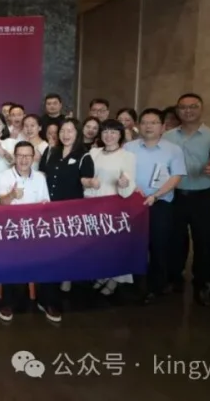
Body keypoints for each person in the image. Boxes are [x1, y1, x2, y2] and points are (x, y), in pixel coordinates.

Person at [162, 93, 210, 305]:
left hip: (203, 196)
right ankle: (174, 277)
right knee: (175, 238)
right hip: (175, 195)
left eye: (193, 106)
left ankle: (202, 283)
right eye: (183, 107)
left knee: (204, 240)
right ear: (177, 110)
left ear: (201, 109)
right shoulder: (168, 136)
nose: (188, 111)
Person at [124, 108, 186, 304]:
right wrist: (133, 189)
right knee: (135, 245)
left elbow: (176, 176)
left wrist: (156, 196)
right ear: (138, 126)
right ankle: (136, 285)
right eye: (144, 122)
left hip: (160, 204)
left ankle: (156, 285)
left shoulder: (173, 149)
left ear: (163, 127)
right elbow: (122, 172)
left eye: (153, 123)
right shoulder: (128, 147)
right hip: (133, 203)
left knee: (159, 245)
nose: (148, 126)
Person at [38, 118, 95, 323]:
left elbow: (86, 180)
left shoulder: (84, 156)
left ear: (77, 133)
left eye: (70, 130)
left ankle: (53, 298)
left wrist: (91, 182)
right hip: (47, 212)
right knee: (46, 254)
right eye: (63, 130)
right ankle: (45, 296)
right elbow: (42, 175)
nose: (66, 134)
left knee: (61, 255)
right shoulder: (52, 151)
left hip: (69, 214)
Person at [0, 141, 50, 322]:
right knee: (8, 256)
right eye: (20, 155)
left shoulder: (40, 177)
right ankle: (7, 302)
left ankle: (46, 300)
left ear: (33, 158)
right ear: (14, 157)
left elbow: (45, 205)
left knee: (51, 254)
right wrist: (11, 195)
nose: (24, 159)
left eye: (28, 156)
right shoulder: (4, 176)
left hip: (34, 230)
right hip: (10, 229)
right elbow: (1, 203)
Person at [85, 120, 138, 297]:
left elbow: (128, 186)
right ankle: (102, 274)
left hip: (114, 205)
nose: (109, 135)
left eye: (113, 132)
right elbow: (85, 176)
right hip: (92, 204)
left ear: (120, 135)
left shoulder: (127, 156)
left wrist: (124, 183)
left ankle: (114, 279)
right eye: (105, 131)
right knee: (97, 246)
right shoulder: (94, 152)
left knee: (114, 246)